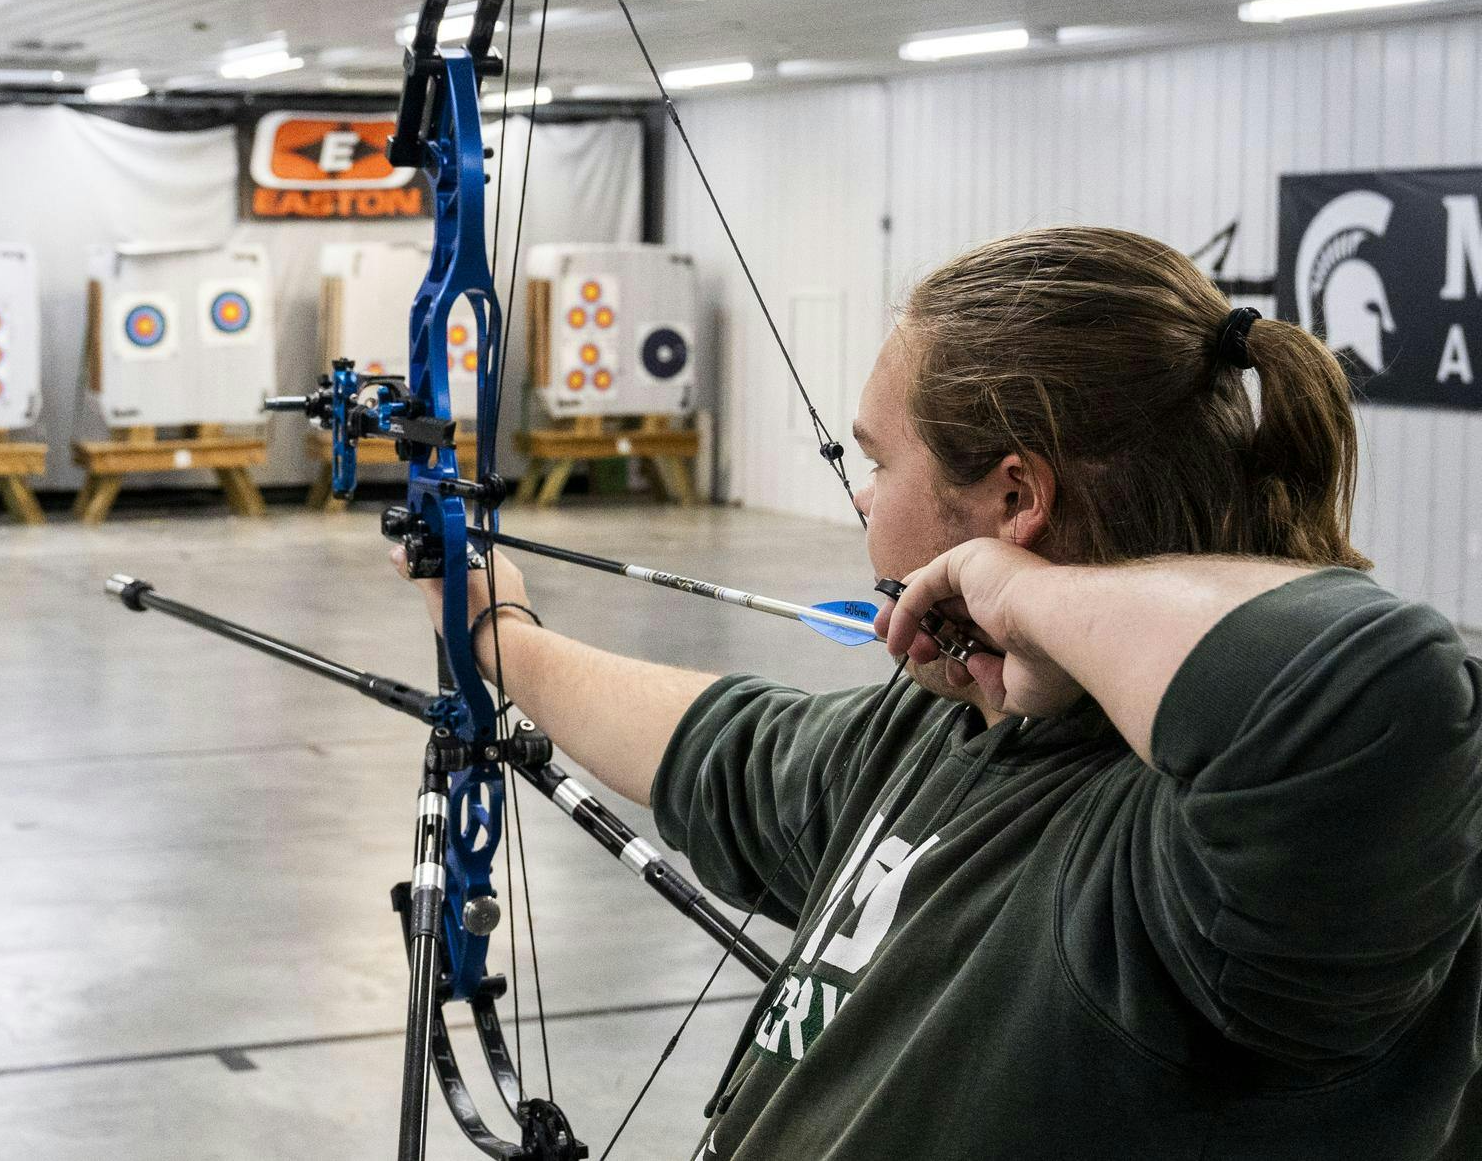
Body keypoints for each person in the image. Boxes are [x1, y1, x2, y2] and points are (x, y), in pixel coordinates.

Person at [395, 227, 1481, 1159]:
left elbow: (1365, 668)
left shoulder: (1261, 825)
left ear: (1013, 496)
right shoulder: (962, 718)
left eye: (874, 460)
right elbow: (730, 754)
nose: (860, 498)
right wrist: (499, 631)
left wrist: (1012, 588)